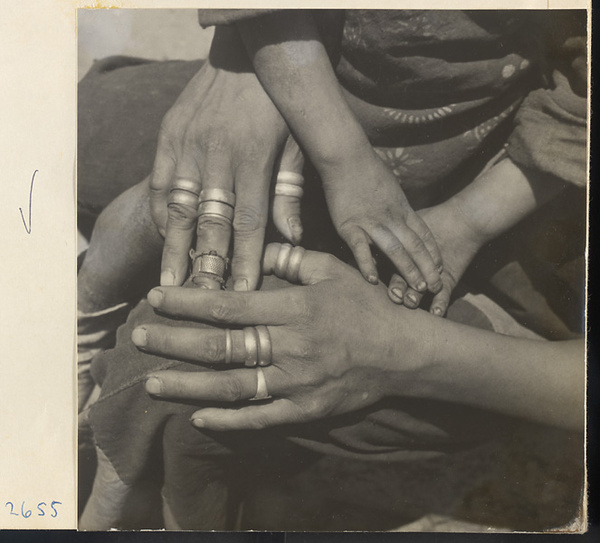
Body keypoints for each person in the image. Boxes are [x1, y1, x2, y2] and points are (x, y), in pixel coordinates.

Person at [78, 9, 587, 530]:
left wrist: (404, 340)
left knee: (171, 363)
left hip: (515, 209)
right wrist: (243, 61)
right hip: (339, 103)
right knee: (67, 133)